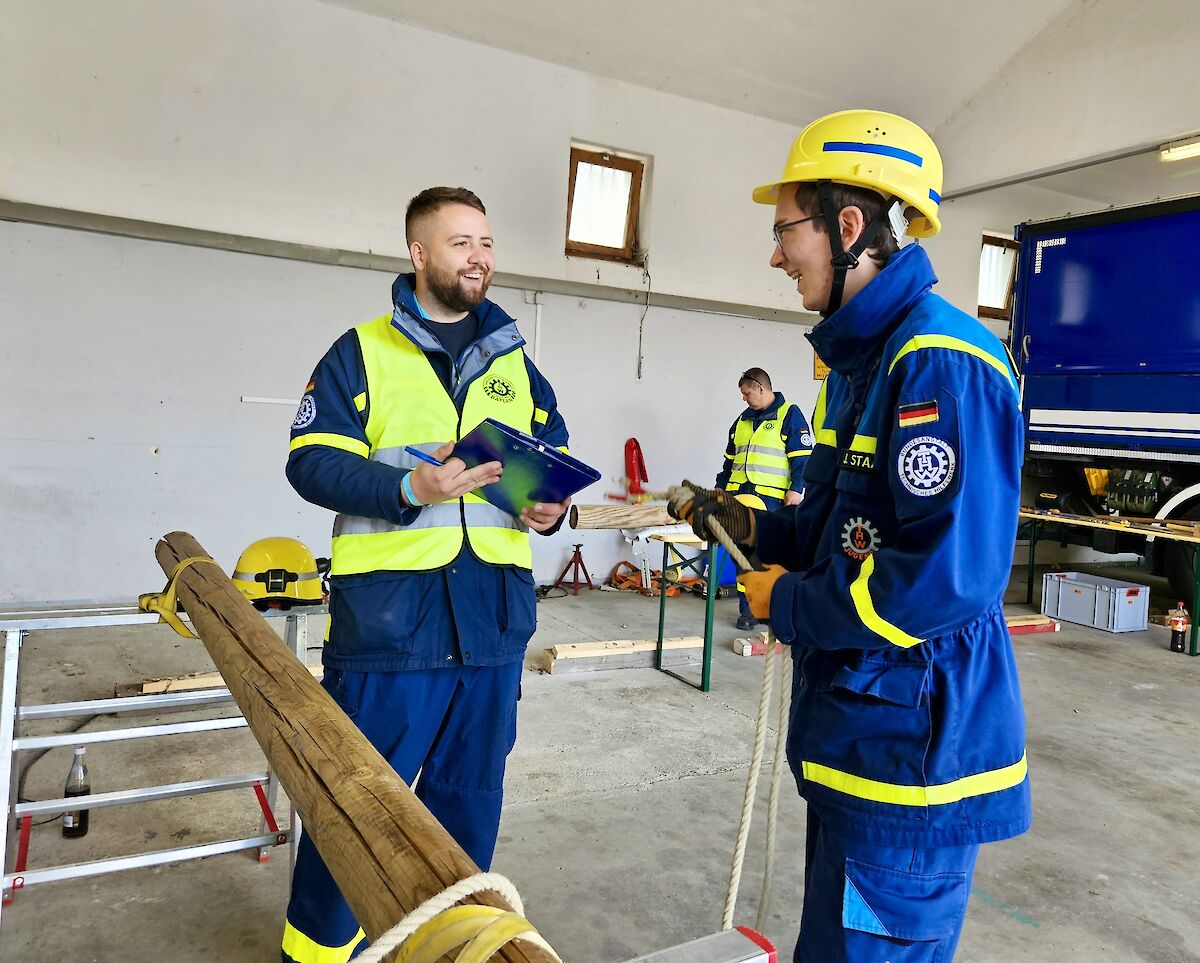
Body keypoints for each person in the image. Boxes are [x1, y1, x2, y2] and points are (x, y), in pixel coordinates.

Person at [673, 110, 1029, 962]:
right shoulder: (863, 363)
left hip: (912, 762)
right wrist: (758, 525)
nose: (774, 254)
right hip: (863, 746)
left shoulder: (939, 362)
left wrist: (789, 600)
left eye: (783, 231)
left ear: (849, 227)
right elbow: (850, 526)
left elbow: (947, 578)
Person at [281, 186, 570, 963]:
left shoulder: (516, 363)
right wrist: (409, 488)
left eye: (486, 241)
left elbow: (550, 460)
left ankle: (445, 952)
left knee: (467, 815)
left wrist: (550, 512)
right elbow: (309, 462)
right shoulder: (362, 352)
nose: (479, 256)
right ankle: (314, 955)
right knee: (355, 813)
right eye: (460, 242)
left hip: (490, 629)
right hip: (390, 629)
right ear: (418, 254)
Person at [714, 367, 812, 630]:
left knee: (772, 559)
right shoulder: (741, 422)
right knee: (742, 556)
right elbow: (728, 464)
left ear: (760, 387)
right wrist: (720, 489)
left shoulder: (789, 415)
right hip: (740, 499)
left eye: (747, 393)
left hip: (772, 501)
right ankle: (748, 612)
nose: (744, 398)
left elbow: (802, 459)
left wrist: (797, 489)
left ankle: (774, 610)